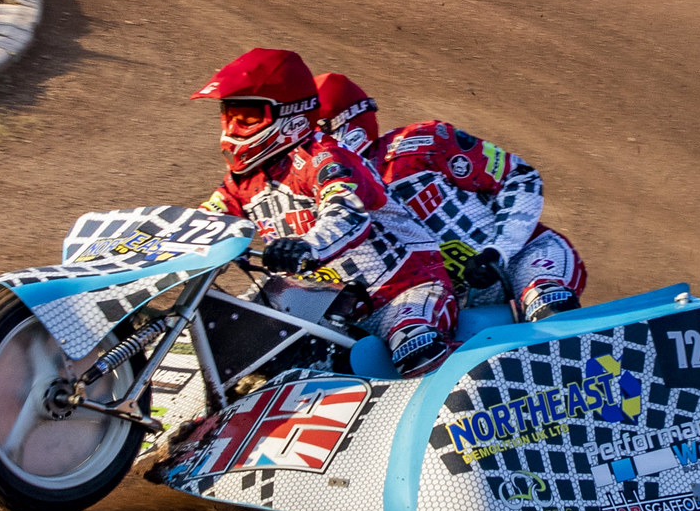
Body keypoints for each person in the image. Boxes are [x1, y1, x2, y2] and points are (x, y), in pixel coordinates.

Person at [191, 49, 457, 378]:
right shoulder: (244, 178)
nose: (233, 127)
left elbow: (347, 214)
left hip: (402, 291)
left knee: (416, 347)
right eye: (229, 115)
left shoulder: (326, 157)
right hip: (320, 297)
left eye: (246, 118)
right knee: (231, 328)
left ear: (291, 116)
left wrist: (309, 246)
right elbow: (206, 221)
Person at [313, 72, 586, 322]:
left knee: (547, 305)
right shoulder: (321, 193)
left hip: (524, 258)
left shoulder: (421, 142)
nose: (311, 149)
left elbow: (520, 176)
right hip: (454, 301)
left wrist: (499, 251)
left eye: (316, 135)